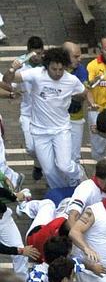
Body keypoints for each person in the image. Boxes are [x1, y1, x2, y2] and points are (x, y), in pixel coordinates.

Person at [3, 47, 94, 189]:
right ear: (47, 66)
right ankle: (61, 191)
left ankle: (78, 173)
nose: (57, 73)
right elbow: (7, 80)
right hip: (39, 132)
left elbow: (83, 92)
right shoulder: (36, 74)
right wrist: (12, 69)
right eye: (54, 69)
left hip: (61, 130)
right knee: (49, 171)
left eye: (60, 69)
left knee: (64, 165)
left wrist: (85, 101)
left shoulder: (71, 80)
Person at [13, 36, 45, 181]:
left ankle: (44, 168)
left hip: (45, 114)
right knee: (31, 147)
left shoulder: (48, 65)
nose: (37, 57)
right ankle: (39, 164)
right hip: (27, 113)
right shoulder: (20, 64)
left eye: (40, 53)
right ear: (28, 52)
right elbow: (10, 83)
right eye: (34, 54)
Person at [63, 41, 88, 164]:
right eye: (76, 56)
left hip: (76, 117)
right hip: (58, 120)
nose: (80, 59)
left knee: (75, 156)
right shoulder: (54, 70)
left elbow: (84, 93)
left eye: (80, 55)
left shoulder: (81, 70)